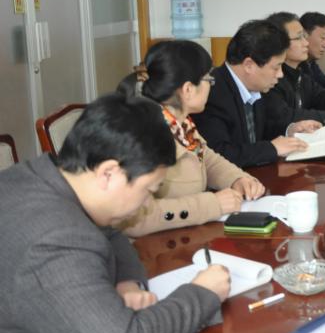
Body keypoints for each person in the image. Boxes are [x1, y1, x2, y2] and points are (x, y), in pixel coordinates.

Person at [0, 93, 230, 333]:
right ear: (109, 173)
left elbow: (111, 231)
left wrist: (127, 281)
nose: (147, 204)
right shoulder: (54, 239)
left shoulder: (48, 178)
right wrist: (202, 294)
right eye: (148, 190)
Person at [113, 41, 266, 237]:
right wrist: (211, 204)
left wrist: (237, 179)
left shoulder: (181, 123)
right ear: (188, 89)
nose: (211, 86)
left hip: (187, 235)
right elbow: (137, 219)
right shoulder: (144, 133)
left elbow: (208, 159)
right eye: (208, 79)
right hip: (155, 246)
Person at [193, 19, 314, 168]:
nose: (280, 74)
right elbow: (219, 153)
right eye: (276, 67)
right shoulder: (212, 94)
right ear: (249, 65)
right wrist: (272, 148)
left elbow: (259, 132)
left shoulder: (254, 86)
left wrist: (290, 130)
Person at [262, 12, 325, 137]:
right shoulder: (270, 78)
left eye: (304, 37)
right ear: (278, 43)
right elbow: (285, 116)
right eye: (299, 38)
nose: (306, 43)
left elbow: (318, 95)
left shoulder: (301, 70)